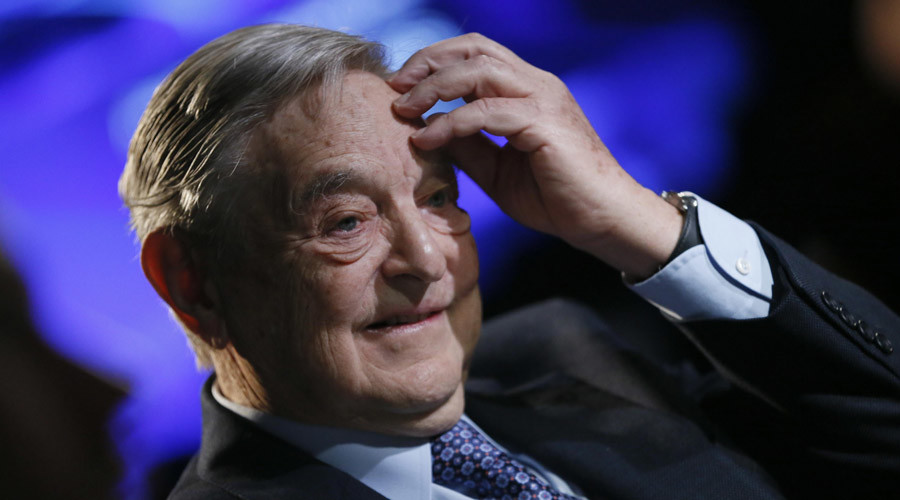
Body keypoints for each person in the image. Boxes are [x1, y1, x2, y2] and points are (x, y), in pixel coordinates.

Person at [119, 24, 900, 499]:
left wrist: (640, 223)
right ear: (190, 280)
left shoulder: (576, 357)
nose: (428, 258)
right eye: (346, 222)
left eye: (438, 198)